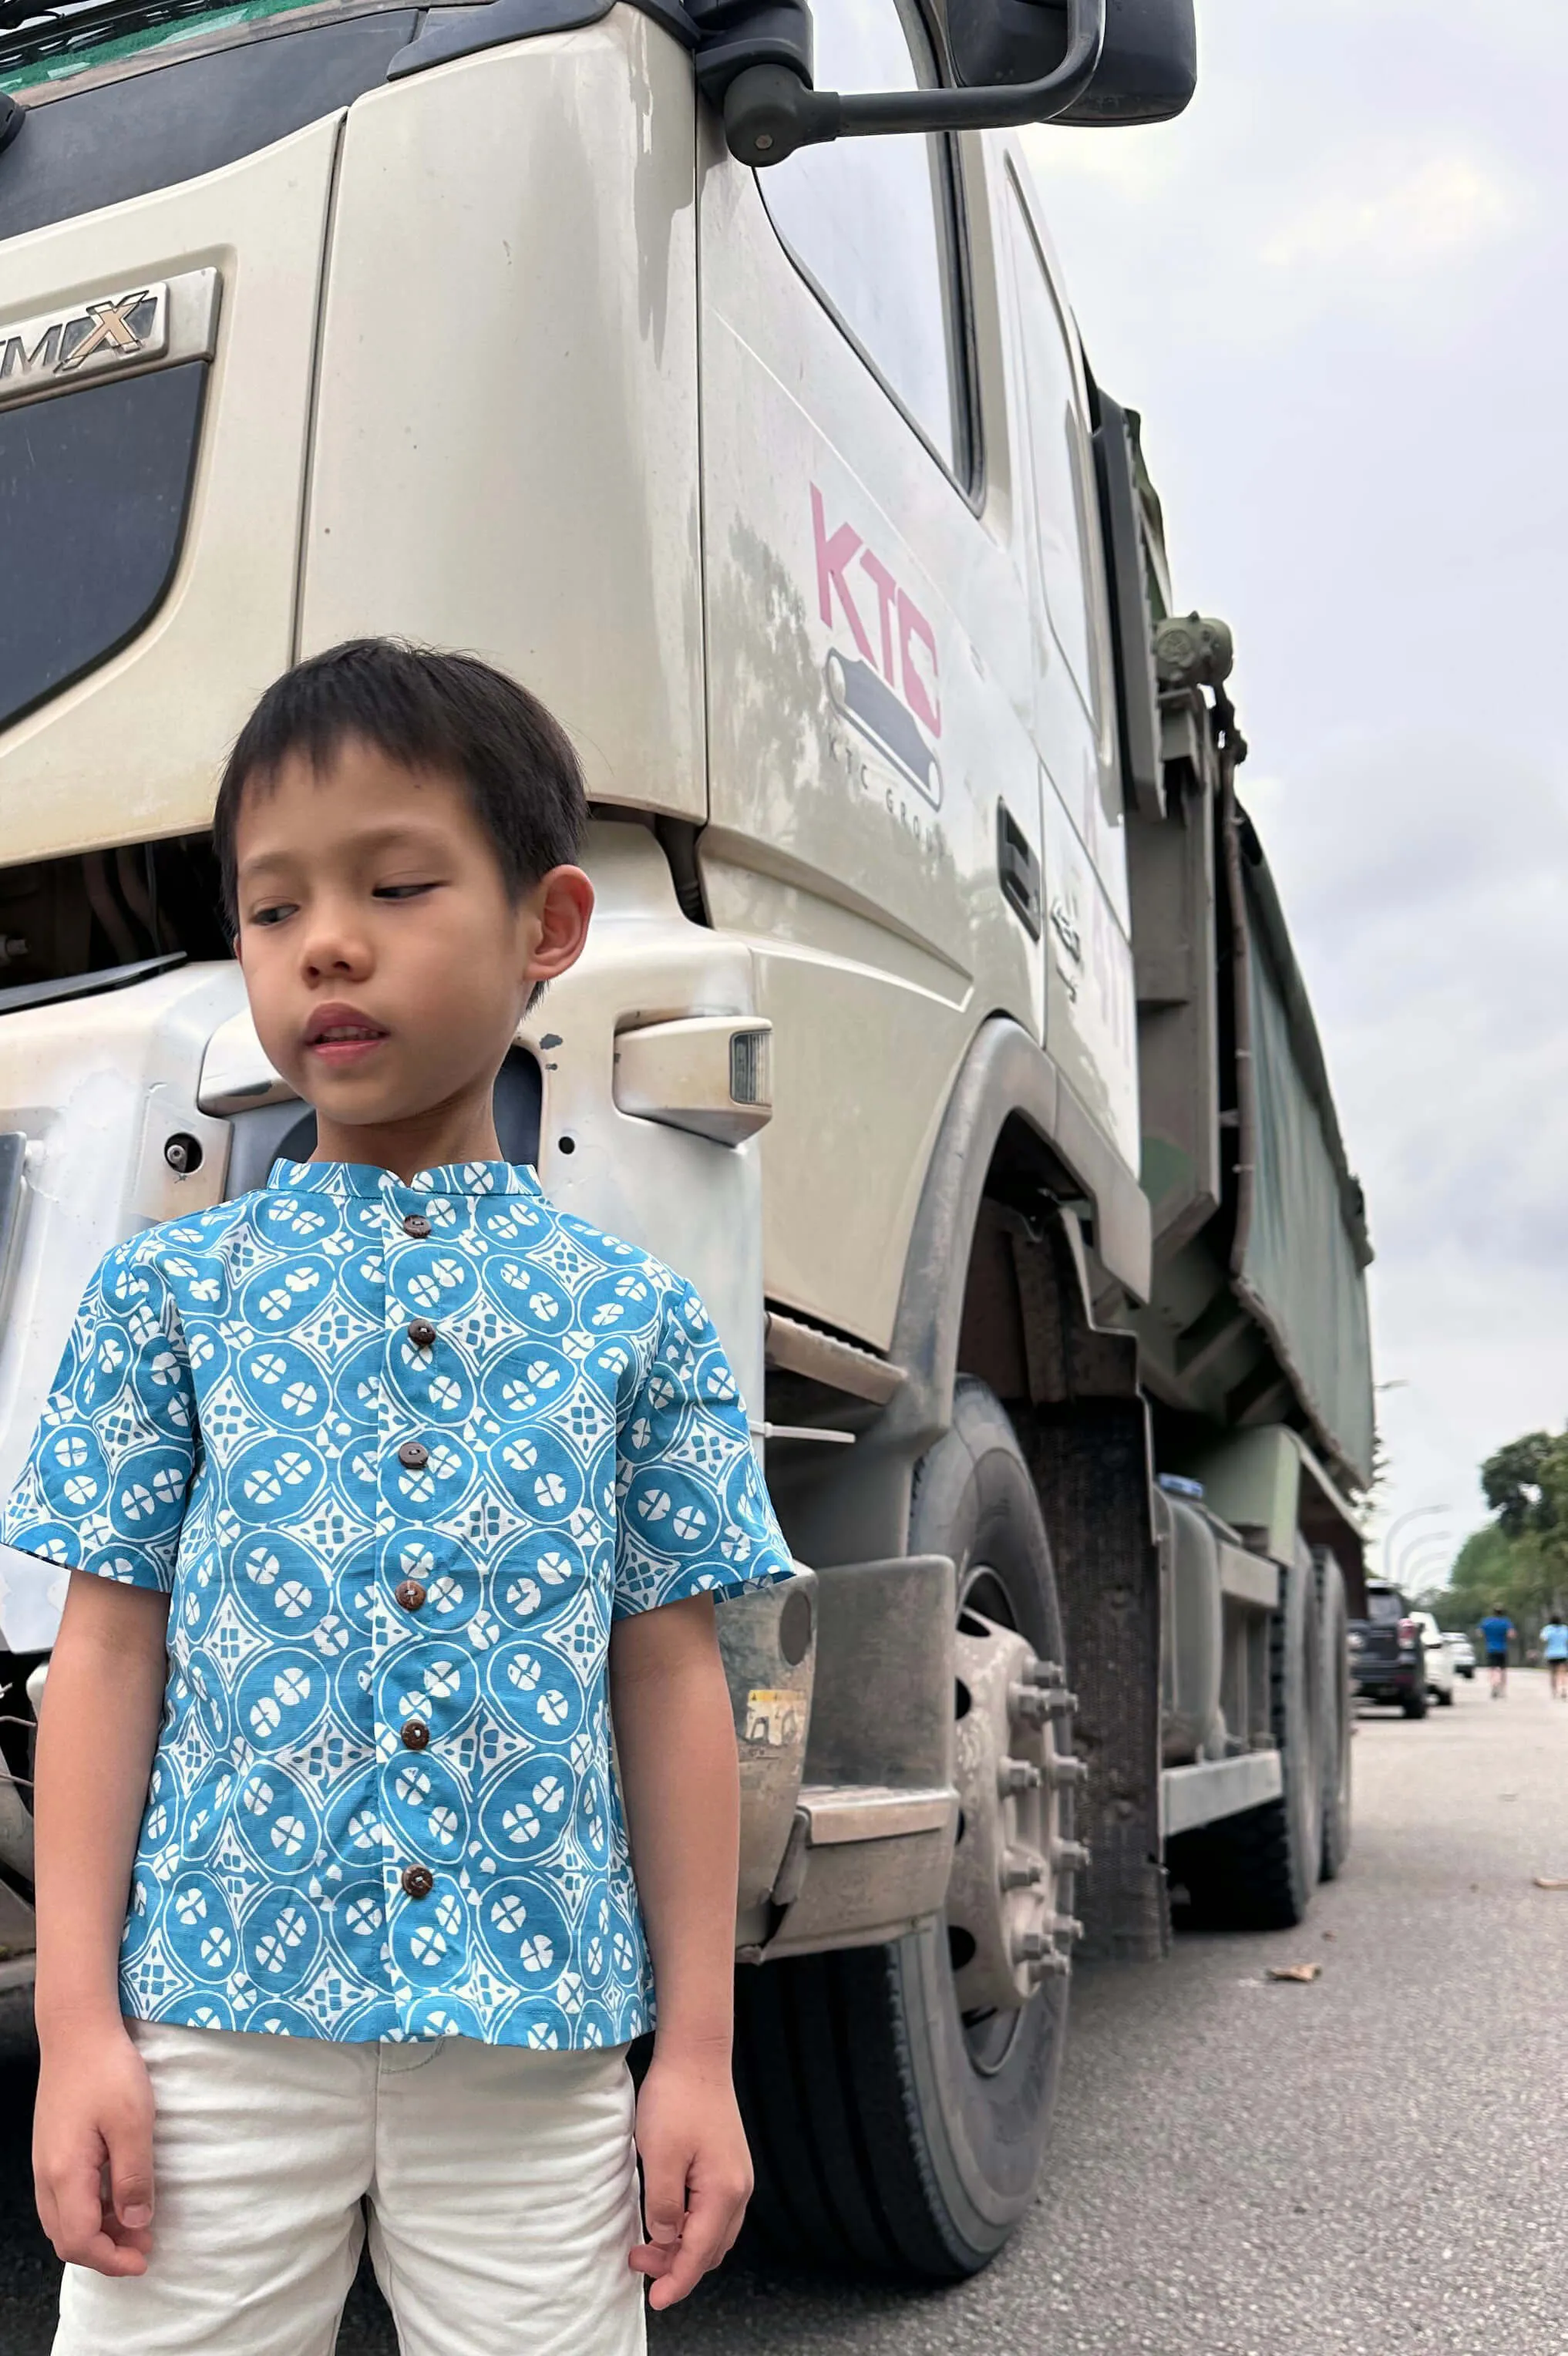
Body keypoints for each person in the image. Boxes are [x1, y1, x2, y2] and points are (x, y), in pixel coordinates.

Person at [8, 640, 796, 2354]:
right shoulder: (168, 1297)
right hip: (214, 2031)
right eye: (271, 909)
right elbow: (106, 1661)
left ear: (549, 927)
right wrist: (79, 2028)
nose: (326, 947)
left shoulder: (634, 1316)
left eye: (395, 882)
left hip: (538, 2051)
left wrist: (702, 2056)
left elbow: (670, 1679)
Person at [1479, 1606, 1516, 1698]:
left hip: (1490, 1649)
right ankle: (1502, 1690)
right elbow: (1511, 1635)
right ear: (1502, 1613)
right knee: (1503, 1670)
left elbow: (1479, 1633)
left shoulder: (1486, 1622)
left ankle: (1494, 1684)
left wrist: (1488, 1636)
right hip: (1502, 1649)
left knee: (1492, 1669)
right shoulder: (1506, 1622)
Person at [1541, 1612, 1568, 1699]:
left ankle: (1554, 1691)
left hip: (1551, 1654)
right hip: (1563, 1653)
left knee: (1553, 1674)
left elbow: (1543, 1639)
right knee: (1563, 1673)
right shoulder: (1565, 1629)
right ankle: (1563, 1688)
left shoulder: (1548, 1629)